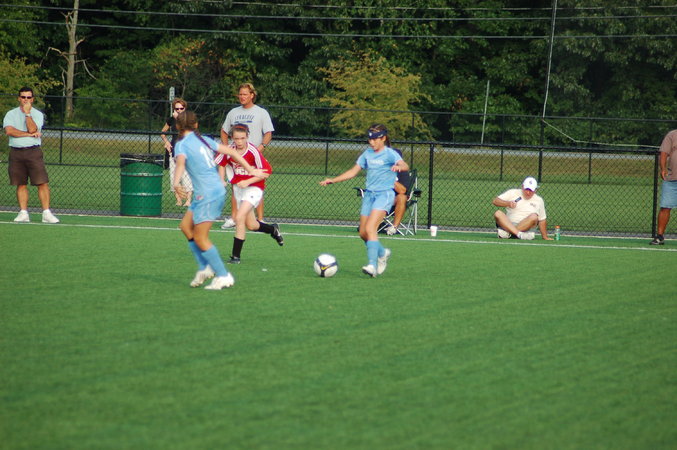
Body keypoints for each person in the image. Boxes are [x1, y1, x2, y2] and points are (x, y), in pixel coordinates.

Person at [172, 110, 269, 290]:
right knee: (185, 226)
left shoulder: (182, 144)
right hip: (209, 191)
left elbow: (180, 163)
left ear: (178, 126)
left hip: (208, 193)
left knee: (200, 237)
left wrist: (176, 183)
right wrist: (251, 169)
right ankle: (205, 267)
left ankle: (223, 276)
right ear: (196, 125)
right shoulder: (203, 140)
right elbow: (231, 152)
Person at [320, 124, 409, 277]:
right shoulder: (367, 154)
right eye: (370, 139)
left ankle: (372, 265)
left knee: (370, 228)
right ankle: (382, 252)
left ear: (383, 138)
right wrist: (333, 180)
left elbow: (404, 165)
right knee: (363, 233)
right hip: (369, 196)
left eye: (375, 139)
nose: (371, 142)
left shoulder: (390, 154)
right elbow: (353, 172)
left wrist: (399, 167)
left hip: (384, 195)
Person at [216, 124, 284, 264]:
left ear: (247, 137)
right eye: (236, 138)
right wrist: (221, 179)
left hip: (254, 188)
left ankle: (235, 257)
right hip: (239, 189)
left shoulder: (253, 151)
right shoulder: (229, 150)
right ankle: (273, 229)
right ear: (232, 138)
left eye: (242, 138)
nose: (239, 141)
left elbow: (267, 172)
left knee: (239, 217)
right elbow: (221, 164)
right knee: (252, 225)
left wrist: (248, 181)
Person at [220, 83, 274, 227]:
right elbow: (224, 131)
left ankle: (260, 219)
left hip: (253, 157)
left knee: (256, 185)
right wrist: (228, 149)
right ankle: (234, 218)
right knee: (235, 186)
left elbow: (268, 133)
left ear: (252, 95)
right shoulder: (233, 112)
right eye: (240, 94)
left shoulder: (261, 112)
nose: (242, 97)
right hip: (236, 157)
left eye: (245, 94)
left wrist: (260, 149)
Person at [3, 87, 59, 224]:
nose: (26, 100)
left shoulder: (37, 114)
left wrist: (28, 114)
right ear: (19, 98)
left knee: (42, 182)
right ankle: (23, 213)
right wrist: (28, 134)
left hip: (33, 152)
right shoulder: (10, 114)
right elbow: (9, 131)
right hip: (16, 152)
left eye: (28, 97)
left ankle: (46, 213)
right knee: (21, 183)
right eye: (23, 97)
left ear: (32, 99)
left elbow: (33, 129)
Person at [492, 176, 552, 240]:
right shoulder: (513, 192)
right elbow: (495, 201)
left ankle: (509, 234)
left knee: (534, 216)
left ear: (535, 190)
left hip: (526, 227)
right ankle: (518, 234)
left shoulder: (539, 200)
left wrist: (545, 237)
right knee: (498, 213)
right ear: (522, 187)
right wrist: (508, 203)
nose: (528, 193)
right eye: (526, 189)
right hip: (508, 224)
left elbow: (542, 220)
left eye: (531, 190)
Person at [160, 98, 193, 206]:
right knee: (174, 176)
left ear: (185, 108)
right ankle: (178, 200)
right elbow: (162, 132)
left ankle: (188, 200)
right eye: (177, 108)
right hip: (174, 150)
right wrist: (166, 142)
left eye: (181, 108)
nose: (179, 110)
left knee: (186, 176)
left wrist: (178, 119)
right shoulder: (171, 119)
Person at [650, 129, 677, 245]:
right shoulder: (672, 135)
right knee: (665, 207)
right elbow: (664, 153)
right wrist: (663, 168)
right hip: (672, 179)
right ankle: (659, 236)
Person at [385, 147, 411, 236]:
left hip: (394, 200)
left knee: (402, 197)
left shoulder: (403, 173)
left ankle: (394, 227)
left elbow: (402, 191)